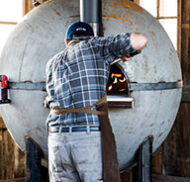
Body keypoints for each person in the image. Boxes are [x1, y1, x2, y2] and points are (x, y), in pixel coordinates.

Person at [45, 21, 148, 182]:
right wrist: (127, 52)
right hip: (86, 138)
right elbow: (139, 40)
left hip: (57, 139)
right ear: (91, 38)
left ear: (67, 42)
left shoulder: (52, 63)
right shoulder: (94, 47)